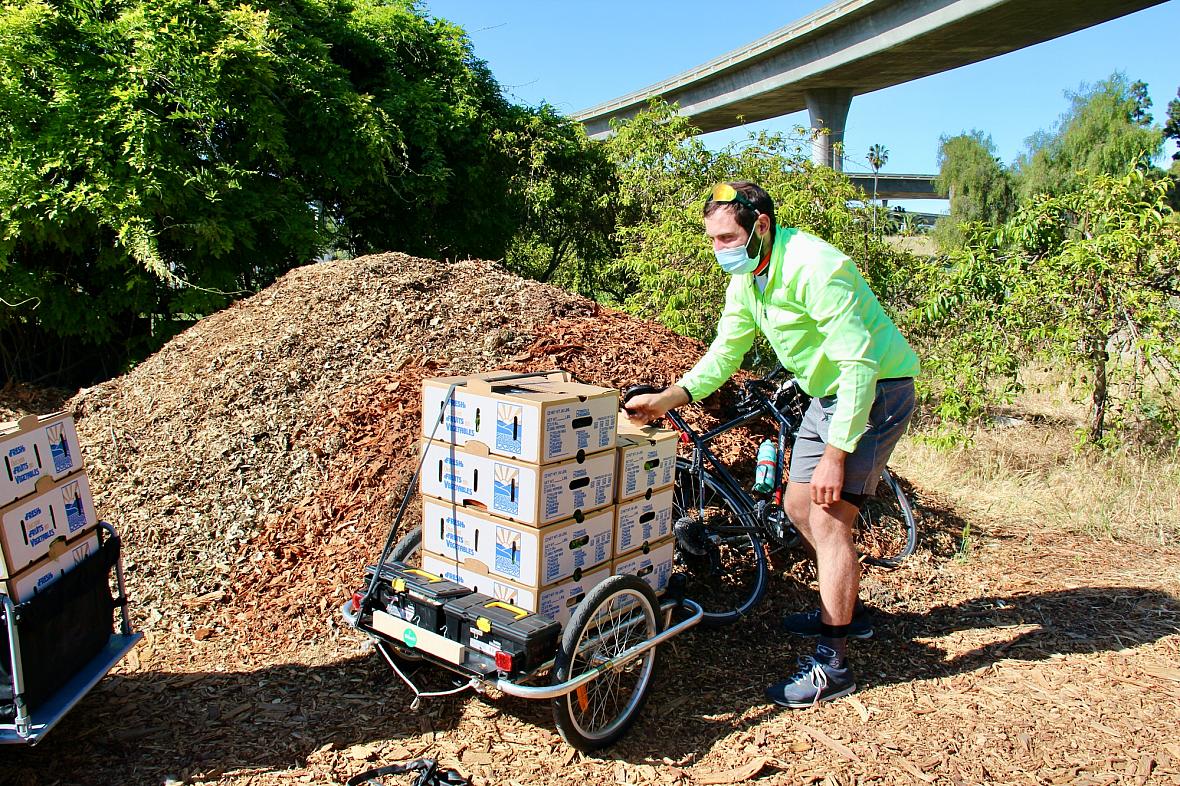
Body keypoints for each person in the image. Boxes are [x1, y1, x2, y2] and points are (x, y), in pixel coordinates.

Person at [624, 181, 920, 708]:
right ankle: (845, 610)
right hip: (826, 395)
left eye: (727, 237)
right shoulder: (749, 280)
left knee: (828, 517)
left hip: (874, 392)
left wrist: (836, 453)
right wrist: (670, 398)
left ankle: (834, 663)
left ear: (760, 226)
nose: (720, 250)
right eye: (713, 240)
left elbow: (858, 364)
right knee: (797, 505)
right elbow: (726, 349)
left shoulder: (817, 268)